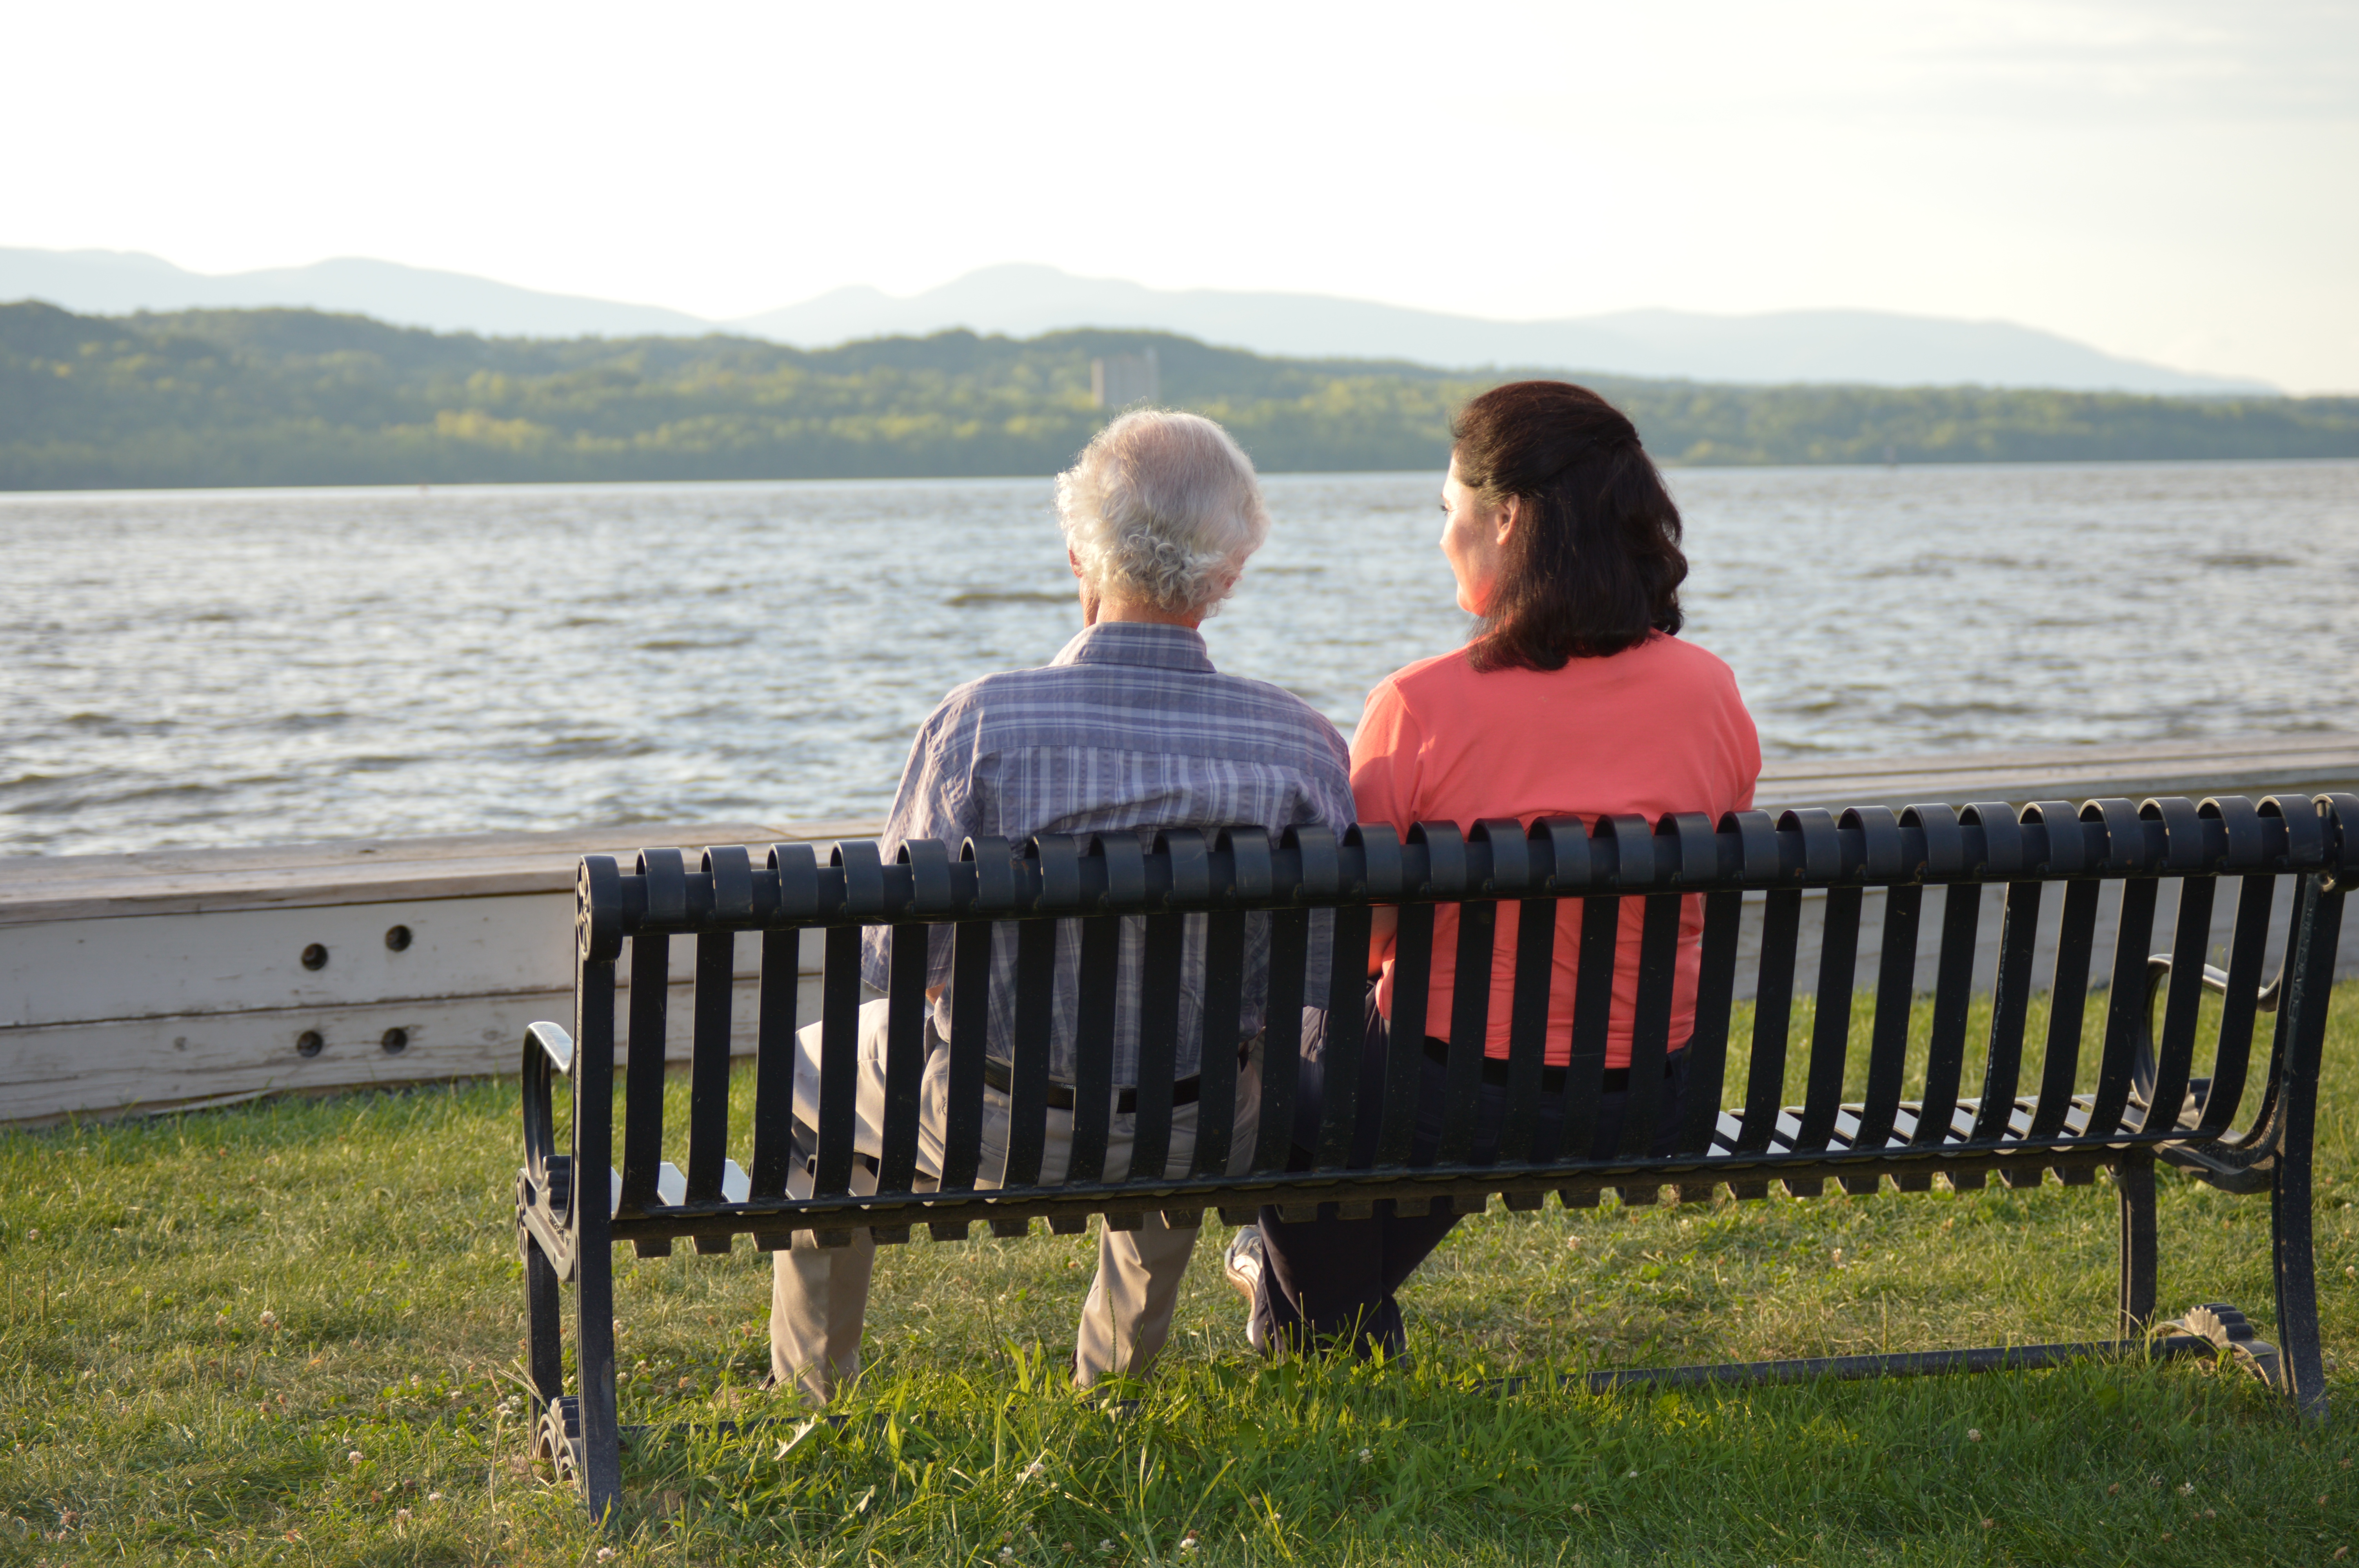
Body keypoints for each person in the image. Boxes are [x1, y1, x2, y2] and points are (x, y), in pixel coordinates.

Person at [769, 408, 1356, 1403]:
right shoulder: (1298, 746)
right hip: (1199, 1124)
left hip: (986, 1122)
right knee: (1203, 1060)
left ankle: (814, 1388)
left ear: (1079, 548)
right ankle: (1112, 1389)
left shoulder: (980, 726)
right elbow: (1316, 978)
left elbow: (894, 958)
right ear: (1229, 572)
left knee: (808, 1066)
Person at [1227, 380, 1760, 1360]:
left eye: (1447, 510)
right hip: (1651, 1092)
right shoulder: (1709, 692)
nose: (1440, 537)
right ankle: (1299, 1303)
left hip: (1450, 1096)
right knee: (1417, 1066)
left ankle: (1321, 1321)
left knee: (1271, 1071)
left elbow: (1364, 934)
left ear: (1505, 517)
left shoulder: (1420, 706)